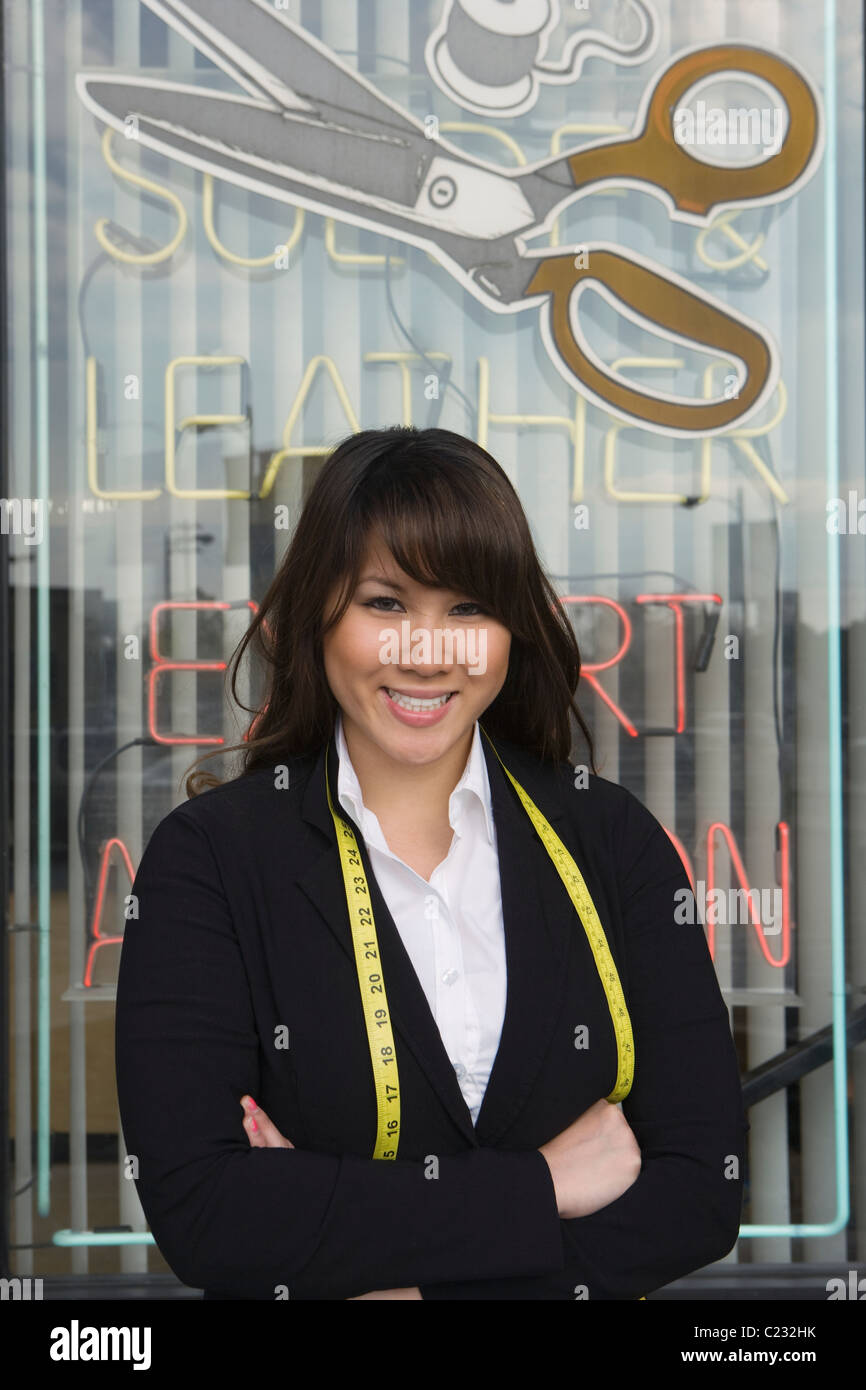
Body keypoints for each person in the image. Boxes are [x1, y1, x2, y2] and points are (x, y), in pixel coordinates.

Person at [114, 425, 748, 1300]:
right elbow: (211, 1210)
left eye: (467, 610)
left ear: (511, 631)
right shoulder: (211, 861)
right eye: (385, 603)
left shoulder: (612, 841)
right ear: (318, 613)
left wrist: (386, 1265)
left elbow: (699, 1192)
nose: (427, 650)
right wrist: (548, 1187)